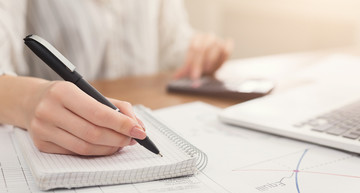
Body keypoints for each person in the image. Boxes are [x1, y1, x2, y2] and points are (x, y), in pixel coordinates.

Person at [0, 0, 232, 156]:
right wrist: (29, 101)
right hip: (52, 135)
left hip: (154, 108)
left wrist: (201, 51)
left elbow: (174, 45)